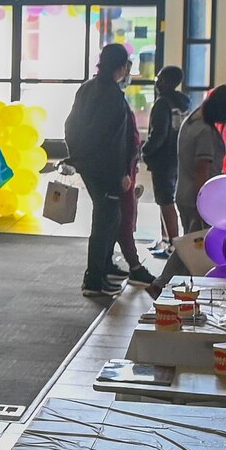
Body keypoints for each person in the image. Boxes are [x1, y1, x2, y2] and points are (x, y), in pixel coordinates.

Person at [65, 43, 142, 297]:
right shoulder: (112, 96)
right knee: (105, 222)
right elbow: (113, 140)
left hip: (88, 163)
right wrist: (122, 173)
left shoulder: (87, 88)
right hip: (106, 168)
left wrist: (76, 155)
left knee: (108, 218)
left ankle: (104, 269)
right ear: (121, 67)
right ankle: (94, 279)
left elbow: (71, 124)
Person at [177, 84, 226, 232]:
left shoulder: (190, 121)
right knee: (196, 248)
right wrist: (204, 205)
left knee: (189, 244)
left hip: (184, 193)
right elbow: (202, 170)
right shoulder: (205, 131)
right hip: (196, 199)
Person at [142, 66, 190, 257]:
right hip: (178, 155)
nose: (156, 81)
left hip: (162, 158)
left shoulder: (162, 103)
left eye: (159, 78)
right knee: (166, 198)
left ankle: (173, 243)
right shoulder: (184, 101)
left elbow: (158, 134)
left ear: (165, 81)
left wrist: (144, 150)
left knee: (164, 200)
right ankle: (165, 239)